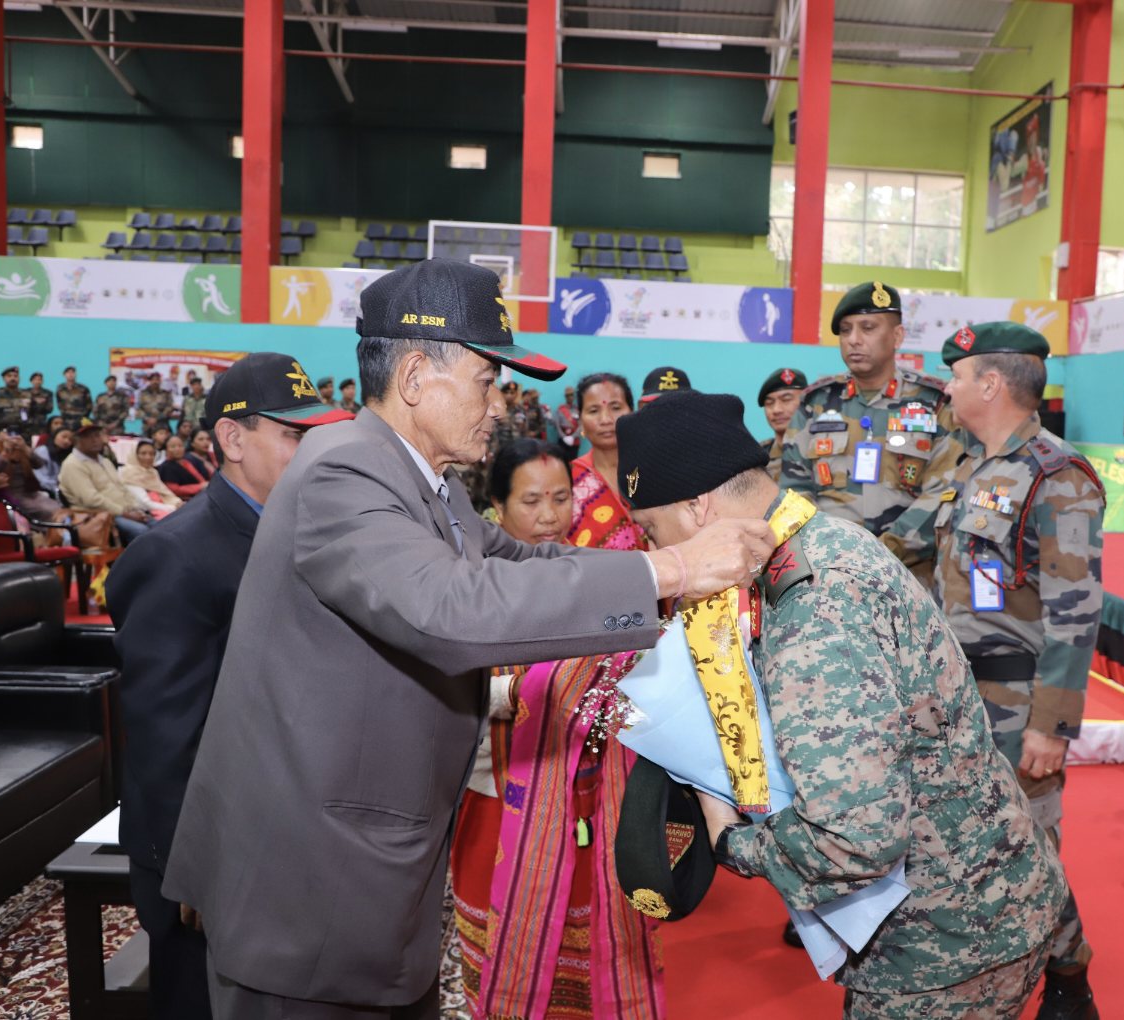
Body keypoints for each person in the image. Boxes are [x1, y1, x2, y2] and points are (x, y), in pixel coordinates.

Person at [160, 257, 772, 1020]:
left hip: (371, 867)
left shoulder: (430, 484)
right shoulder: (343, 471)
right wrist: (672, 567)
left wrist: (662, 575)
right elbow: (449, 608)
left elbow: (522, 563)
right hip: (309, 887)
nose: (500, 403)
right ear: (416, 376)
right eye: (487, 380)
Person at [616, 391, 1067, 1020]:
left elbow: (856, 839)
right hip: (979, 906)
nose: (656, 548)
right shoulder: (821, 540)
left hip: (943, 947)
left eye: (652, 529)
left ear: (696, 508)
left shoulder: (814, 603)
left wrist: (732, 842)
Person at [105, 353, 352, 1020]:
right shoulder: (177, 555)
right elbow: (166, 735)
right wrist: (195, 864)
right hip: (211, 853)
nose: (312, 452)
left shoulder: (300, 530)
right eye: (295, 436)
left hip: (286, 833)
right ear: (233, 439)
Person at [449, 439, 666, 1019]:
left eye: (561, 498)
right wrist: (523, 695)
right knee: (502, 954)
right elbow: (446, 686)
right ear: (497, 508)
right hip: (499, 799)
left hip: (593, 803)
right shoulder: (470, 585)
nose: (549, 515)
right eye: (531, 501)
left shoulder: (592, 578)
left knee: (590, 958)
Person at [935, 322, 1105, 1020]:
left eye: (956, 375)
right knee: (963, 842)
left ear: (990, 384)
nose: (946, 387)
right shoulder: (972, 466)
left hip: (1016, 699)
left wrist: (1051, 726)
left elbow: (1076, 612)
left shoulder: (1056, 476)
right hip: (959, 693)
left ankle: (1069, 978)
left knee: (1029, 845)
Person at [780, 281, 958, 594]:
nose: (853, 339)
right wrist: (826, 548)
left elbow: (944, 491)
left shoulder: (935, 403)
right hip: (827, 575)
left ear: (897, 336)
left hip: (908, 579)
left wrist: (881, 550)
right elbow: (794, 488)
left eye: (868, 327)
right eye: (845, 330)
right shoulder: (815, 403)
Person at [569, 372, 646, 550]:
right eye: (593, 411)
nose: (605, 420)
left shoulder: (654, 468)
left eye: (616, 407)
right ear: (580, 419)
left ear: (632, 412)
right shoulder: (570, 479)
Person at [58, 417, 153, 544]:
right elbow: (91, 499)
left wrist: (136, 509)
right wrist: (125, 513)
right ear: (75, 440)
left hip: (123, 511)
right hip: (97, 515)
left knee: (162, 526)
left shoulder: (105, 461)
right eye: (88, 437)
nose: (95, 440)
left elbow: (122, 488)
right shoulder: (73, 464)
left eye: (97, 435)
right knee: (142, 532)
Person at [757, 366, 808, 479]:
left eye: (786, 400)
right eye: (769, 403)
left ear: (806, 402)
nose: (776, 410)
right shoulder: (757, 458)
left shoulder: (821, 451)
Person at [120, 439, 184, 515]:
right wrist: (173, 508)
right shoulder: (128, 473)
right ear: (135, 455)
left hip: (162, 509)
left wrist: (177, 502)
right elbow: (145, 503)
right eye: (143, 453)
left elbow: (164, 492)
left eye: (152, 454)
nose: (148, 457)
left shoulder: (152, 472)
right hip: (143, 513)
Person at [0, 365, 30, 433]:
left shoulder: (27, 395)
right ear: (4, 378)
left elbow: (34, 412)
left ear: (19, 378)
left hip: (24, 432)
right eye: (9, 376)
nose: (13, 378)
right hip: (1, 432)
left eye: (15, 376)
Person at [158, 434, 208, 499]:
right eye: (173, 446)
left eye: (180, 446)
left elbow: (200, 479)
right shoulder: (166, 467)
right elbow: (175, 490)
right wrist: (199, 487)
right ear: (166, 449)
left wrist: (205, 485)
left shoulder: (186, 462)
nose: (177, 449)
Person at [35, 426, 75, 496]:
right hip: (45, 491)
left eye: (70, 440)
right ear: (54, 436)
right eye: (64, 437)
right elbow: (41, 479)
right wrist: (59, 490)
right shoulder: (42, 451)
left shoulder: (68, 456)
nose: (67, 441)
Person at [552, 384, 580, 461]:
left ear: (574, 396)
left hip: (575, 440)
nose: (570, 397)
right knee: (562, 461)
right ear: (565, 397)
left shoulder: (577, 410)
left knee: (573, 462)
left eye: (571, 395)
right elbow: (557, 425)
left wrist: (573, 437)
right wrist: (563, 437)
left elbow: (581, 426)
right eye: (568, 395)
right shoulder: (560, 409)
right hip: (562, 440)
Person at [26, 371, 54, 435]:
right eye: (35, 379)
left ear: (42, 381)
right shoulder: (25, 392)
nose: (37, 381)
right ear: (31, 381)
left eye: (39, 380)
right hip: (27, 424)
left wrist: (33, 405)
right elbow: (23, 409)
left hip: (41, 424)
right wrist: (35, 402)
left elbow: (49, 409)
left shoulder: (48, 393)